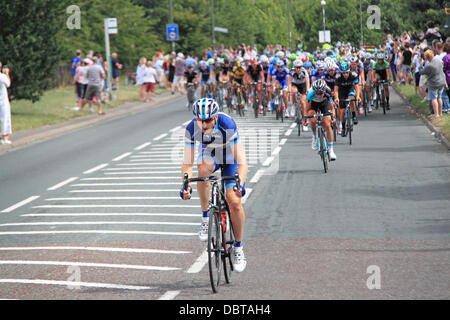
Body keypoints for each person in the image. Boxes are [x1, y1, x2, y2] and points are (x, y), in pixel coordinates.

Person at [180, 98, 248, 273]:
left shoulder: (227, 124)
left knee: (234, 201)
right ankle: (205, 217)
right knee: (202, 169)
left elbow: (242, 162)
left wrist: (239, 183)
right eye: (200, 120)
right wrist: (185, 184)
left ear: (216, 117)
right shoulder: (191, 128)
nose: (203, 125)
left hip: (231, 158)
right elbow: (187, 163)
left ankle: (238, 248)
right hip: (210, 155)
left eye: (208, 120)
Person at [306, 80, 337, 160]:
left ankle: (331, 150)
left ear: (324, 90)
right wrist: (306, 119)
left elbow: (332, 108)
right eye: (317, 93)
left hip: (324, 105)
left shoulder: (328, 92)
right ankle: (314, 136)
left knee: (327, 124)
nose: (318, 95)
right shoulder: (310, 94)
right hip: (313, 105)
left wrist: (333, 117)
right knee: (312, 118)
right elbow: (307, 109)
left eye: (320, 93)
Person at [334, 62, 359, 136]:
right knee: (343, 111)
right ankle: (343, 128)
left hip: (350, 89)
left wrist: (357, 96)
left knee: (351, 98)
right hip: (341, 92)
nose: (345, 74)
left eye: (347, 73)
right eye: (343, 73)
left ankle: (354, 116)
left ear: (349, 71)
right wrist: (336, 98)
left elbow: (357, 86)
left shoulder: (353, 75)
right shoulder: (338, 77)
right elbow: (335, 90)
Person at [420, 49, 446, 117]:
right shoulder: (438, 61)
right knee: (439, 97)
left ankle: (436, 114)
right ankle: (440, 113)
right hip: (441, 81)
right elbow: (442, 63)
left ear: (426, 57)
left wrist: (421, 64)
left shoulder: (429, 66)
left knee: (434, 98)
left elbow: (421, 72)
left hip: (434, 83)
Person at [0, 62, 12, 144]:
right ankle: (5, 137)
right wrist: (7, 73)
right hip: (3, 100)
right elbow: (8, 83)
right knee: (5, 118)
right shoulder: (2, 76)